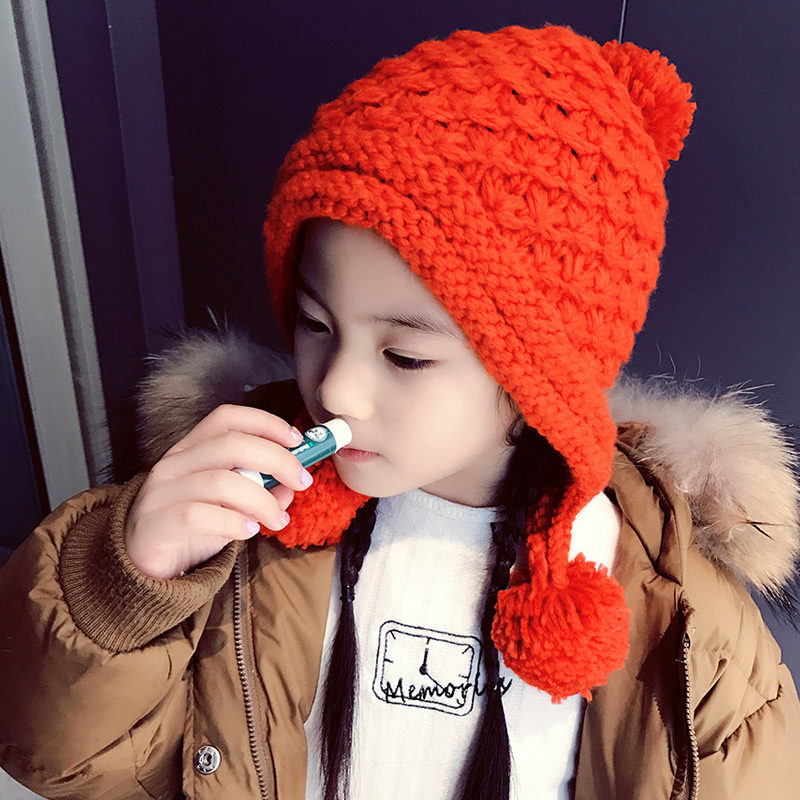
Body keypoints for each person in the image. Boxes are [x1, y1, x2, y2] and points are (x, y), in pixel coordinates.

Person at [1, 21, 799, 800]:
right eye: (314, 323)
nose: (336, 391)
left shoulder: (680, 615)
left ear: (544, 374)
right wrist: (124, 586)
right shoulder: (233, 527)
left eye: (406, 356)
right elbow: (72, 764)